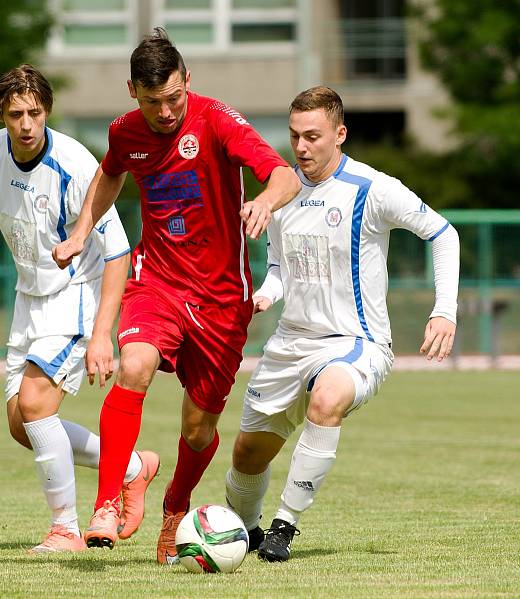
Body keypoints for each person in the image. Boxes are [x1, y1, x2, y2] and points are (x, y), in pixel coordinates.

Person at [52, 29, 301, 564]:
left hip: (221, 299)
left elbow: (283, 176)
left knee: (198, 429)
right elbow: (109, 172)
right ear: (132, 93)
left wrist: (265, 202)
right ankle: (105, 504)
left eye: (174, 98)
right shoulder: (124, 132)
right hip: (157, 281)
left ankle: (174, 507)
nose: (165, 112)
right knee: (134, 365)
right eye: (152, 102)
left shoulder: (217, 120)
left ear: (188, 82)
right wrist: (80, 232)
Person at [224, 86, 460, 562]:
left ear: (340, 133)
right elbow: (278, 267)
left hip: (357, 343)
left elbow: (443, 232)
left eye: (313, 136)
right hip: (290, 343)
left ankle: (284, 527)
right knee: (247, 456)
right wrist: (264, 296)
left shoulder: (372, 189)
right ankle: (243, 532)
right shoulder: (280, 191)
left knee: (327, 399)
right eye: (294, 136)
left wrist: (444, 309)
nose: (302, 147)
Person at [0, 64, 159, 554]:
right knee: (23, 425)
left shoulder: (77, 164)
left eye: (35, 113)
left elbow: (119, 251)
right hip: (29, 299)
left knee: (37, 405)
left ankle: (66, 530)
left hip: (76, 294)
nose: (26, 124)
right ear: (1, 113)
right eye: (16, 113)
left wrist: (103, 333)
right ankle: (131, 468)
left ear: (47, 112)